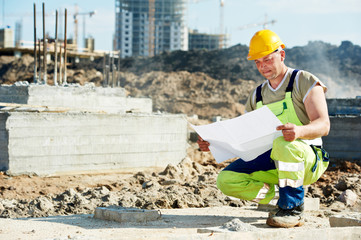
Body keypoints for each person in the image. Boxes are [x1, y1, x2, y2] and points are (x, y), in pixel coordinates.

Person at [197, 29, 330, 228]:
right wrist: (213, 144)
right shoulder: (257, 95)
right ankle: (286, 194)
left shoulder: (303, 81)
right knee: (227, 179)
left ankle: (292, 208)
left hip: (307, 158)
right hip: (273, 162)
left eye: (267, 59)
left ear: (281, 55)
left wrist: (299, 131)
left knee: (284, 144)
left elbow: (324, 125)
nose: (262, 66)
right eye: (257, 62)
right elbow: (244, 136)